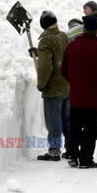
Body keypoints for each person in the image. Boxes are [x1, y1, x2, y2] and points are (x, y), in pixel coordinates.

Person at [60, 14, 97, 168]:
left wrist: (74, 82)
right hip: (95, 98)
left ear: (83, 28)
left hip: (76, 96)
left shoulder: (72, 46)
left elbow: (63, 69)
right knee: (91, 130)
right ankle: (85, 159)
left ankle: (71, 155)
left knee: (75, 126)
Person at [30, 11, 70, 161]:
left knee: (54, 121)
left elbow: (46, 67)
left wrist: (41, 84)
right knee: (66, 119)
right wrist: (39, 53)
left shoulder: (45, 40)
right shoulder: (64, 36)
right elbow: (59, 55)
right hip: (66, 85)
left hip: (53, 88)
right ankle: (70, 149)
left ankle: (54, 150)